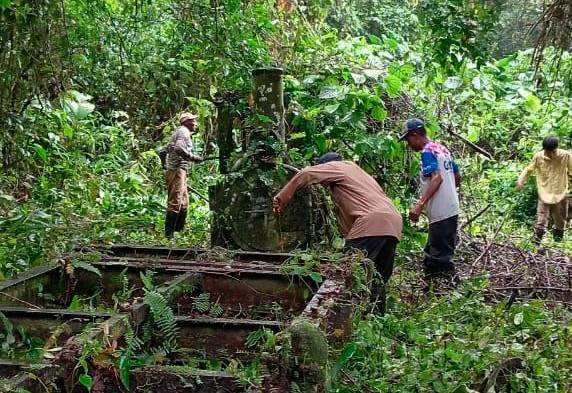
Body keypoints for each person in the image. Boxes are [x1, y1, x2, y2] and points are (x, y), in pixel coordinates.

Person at [272, 152, 403, 313]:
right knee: (378, 277)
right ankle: (376, 316)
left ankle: (341, 317)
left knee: (348, 274)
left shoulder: (338, 167)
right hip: (393, 223)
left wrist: (282, 197)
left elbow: (307, 173)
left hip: (371, 222)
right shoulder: (359, 173)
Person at [400, 118, 461, 278]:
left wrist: (420, 205)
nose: (408, 144)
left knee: (439, 257)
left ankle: (446, 291)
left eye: (408, 139)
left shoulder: (427, 151)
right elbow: (457, 175)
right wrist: (449, 194)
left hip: (441, 211)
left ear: (415, 135)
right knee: (436, 251)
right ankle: (437, 289)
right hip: (451, 208)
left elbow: (437, 178)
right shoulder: (442, 149)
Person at [517, 136, 571, 242]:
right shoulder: (538, 157)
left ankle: (557, 244)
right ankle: (535, 244)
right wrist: (521, 180)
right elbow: (528, 170)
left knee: (560, 222)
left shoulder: (565, 156)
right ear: (544, 149)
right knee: (541, 221)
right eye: (548, 152)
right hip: (544, 193)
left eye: (553, 152)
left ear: (557, 148)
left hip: (560, 193)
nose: (550, 154)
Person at [164, 113, 203, 239]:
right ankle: (169, 235)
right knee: (175, 201)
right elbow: (179, 148)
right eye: (193, 121)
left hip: (181, 170)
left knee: (184, 202)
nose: (196, 124)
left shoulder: (183, 132)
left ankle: (179, 232)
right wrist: (192, 157)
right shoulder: (183, 132)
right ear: (186, 122)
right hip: (177, 169)